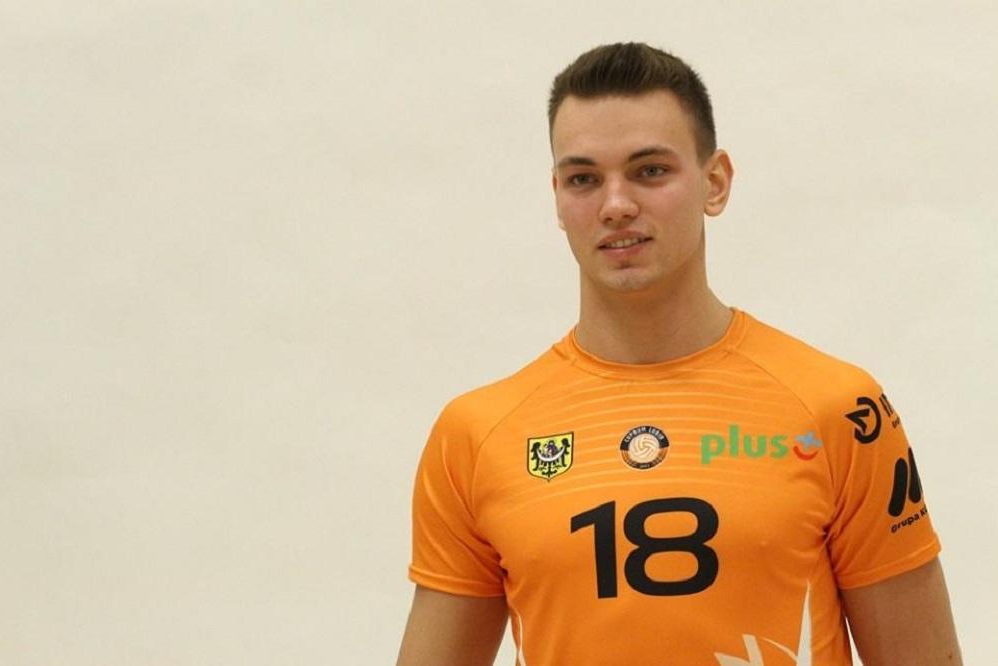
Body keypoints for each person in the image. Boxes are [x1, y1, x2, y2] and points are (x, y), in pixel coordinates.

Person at [395, 42, 960, 665]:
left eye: (650, 171)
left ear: (715, 183)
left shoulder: (839, 408)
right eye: (584, 179)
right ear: (557, 196)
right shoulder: (476, 436)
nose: (616, 205)